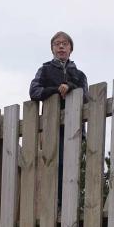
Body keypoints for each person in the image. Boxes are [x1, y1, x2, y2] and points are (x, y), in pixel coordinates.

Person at [29, 32, 88, 206]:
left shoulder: (79, 74)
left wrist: (69, 86)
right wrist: (56, 90)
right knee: (54, 164)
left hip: (74, 126)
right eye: (57, 44)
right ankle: (54, 204)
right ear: (52, 49)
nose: (61, 46)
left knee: (73, 165)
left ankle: (70, 203)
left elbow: (85, 96)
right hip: (51, 127)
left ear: (71, 49)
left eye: (65, 43)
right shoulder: (45, 70)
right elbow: (34, 92)